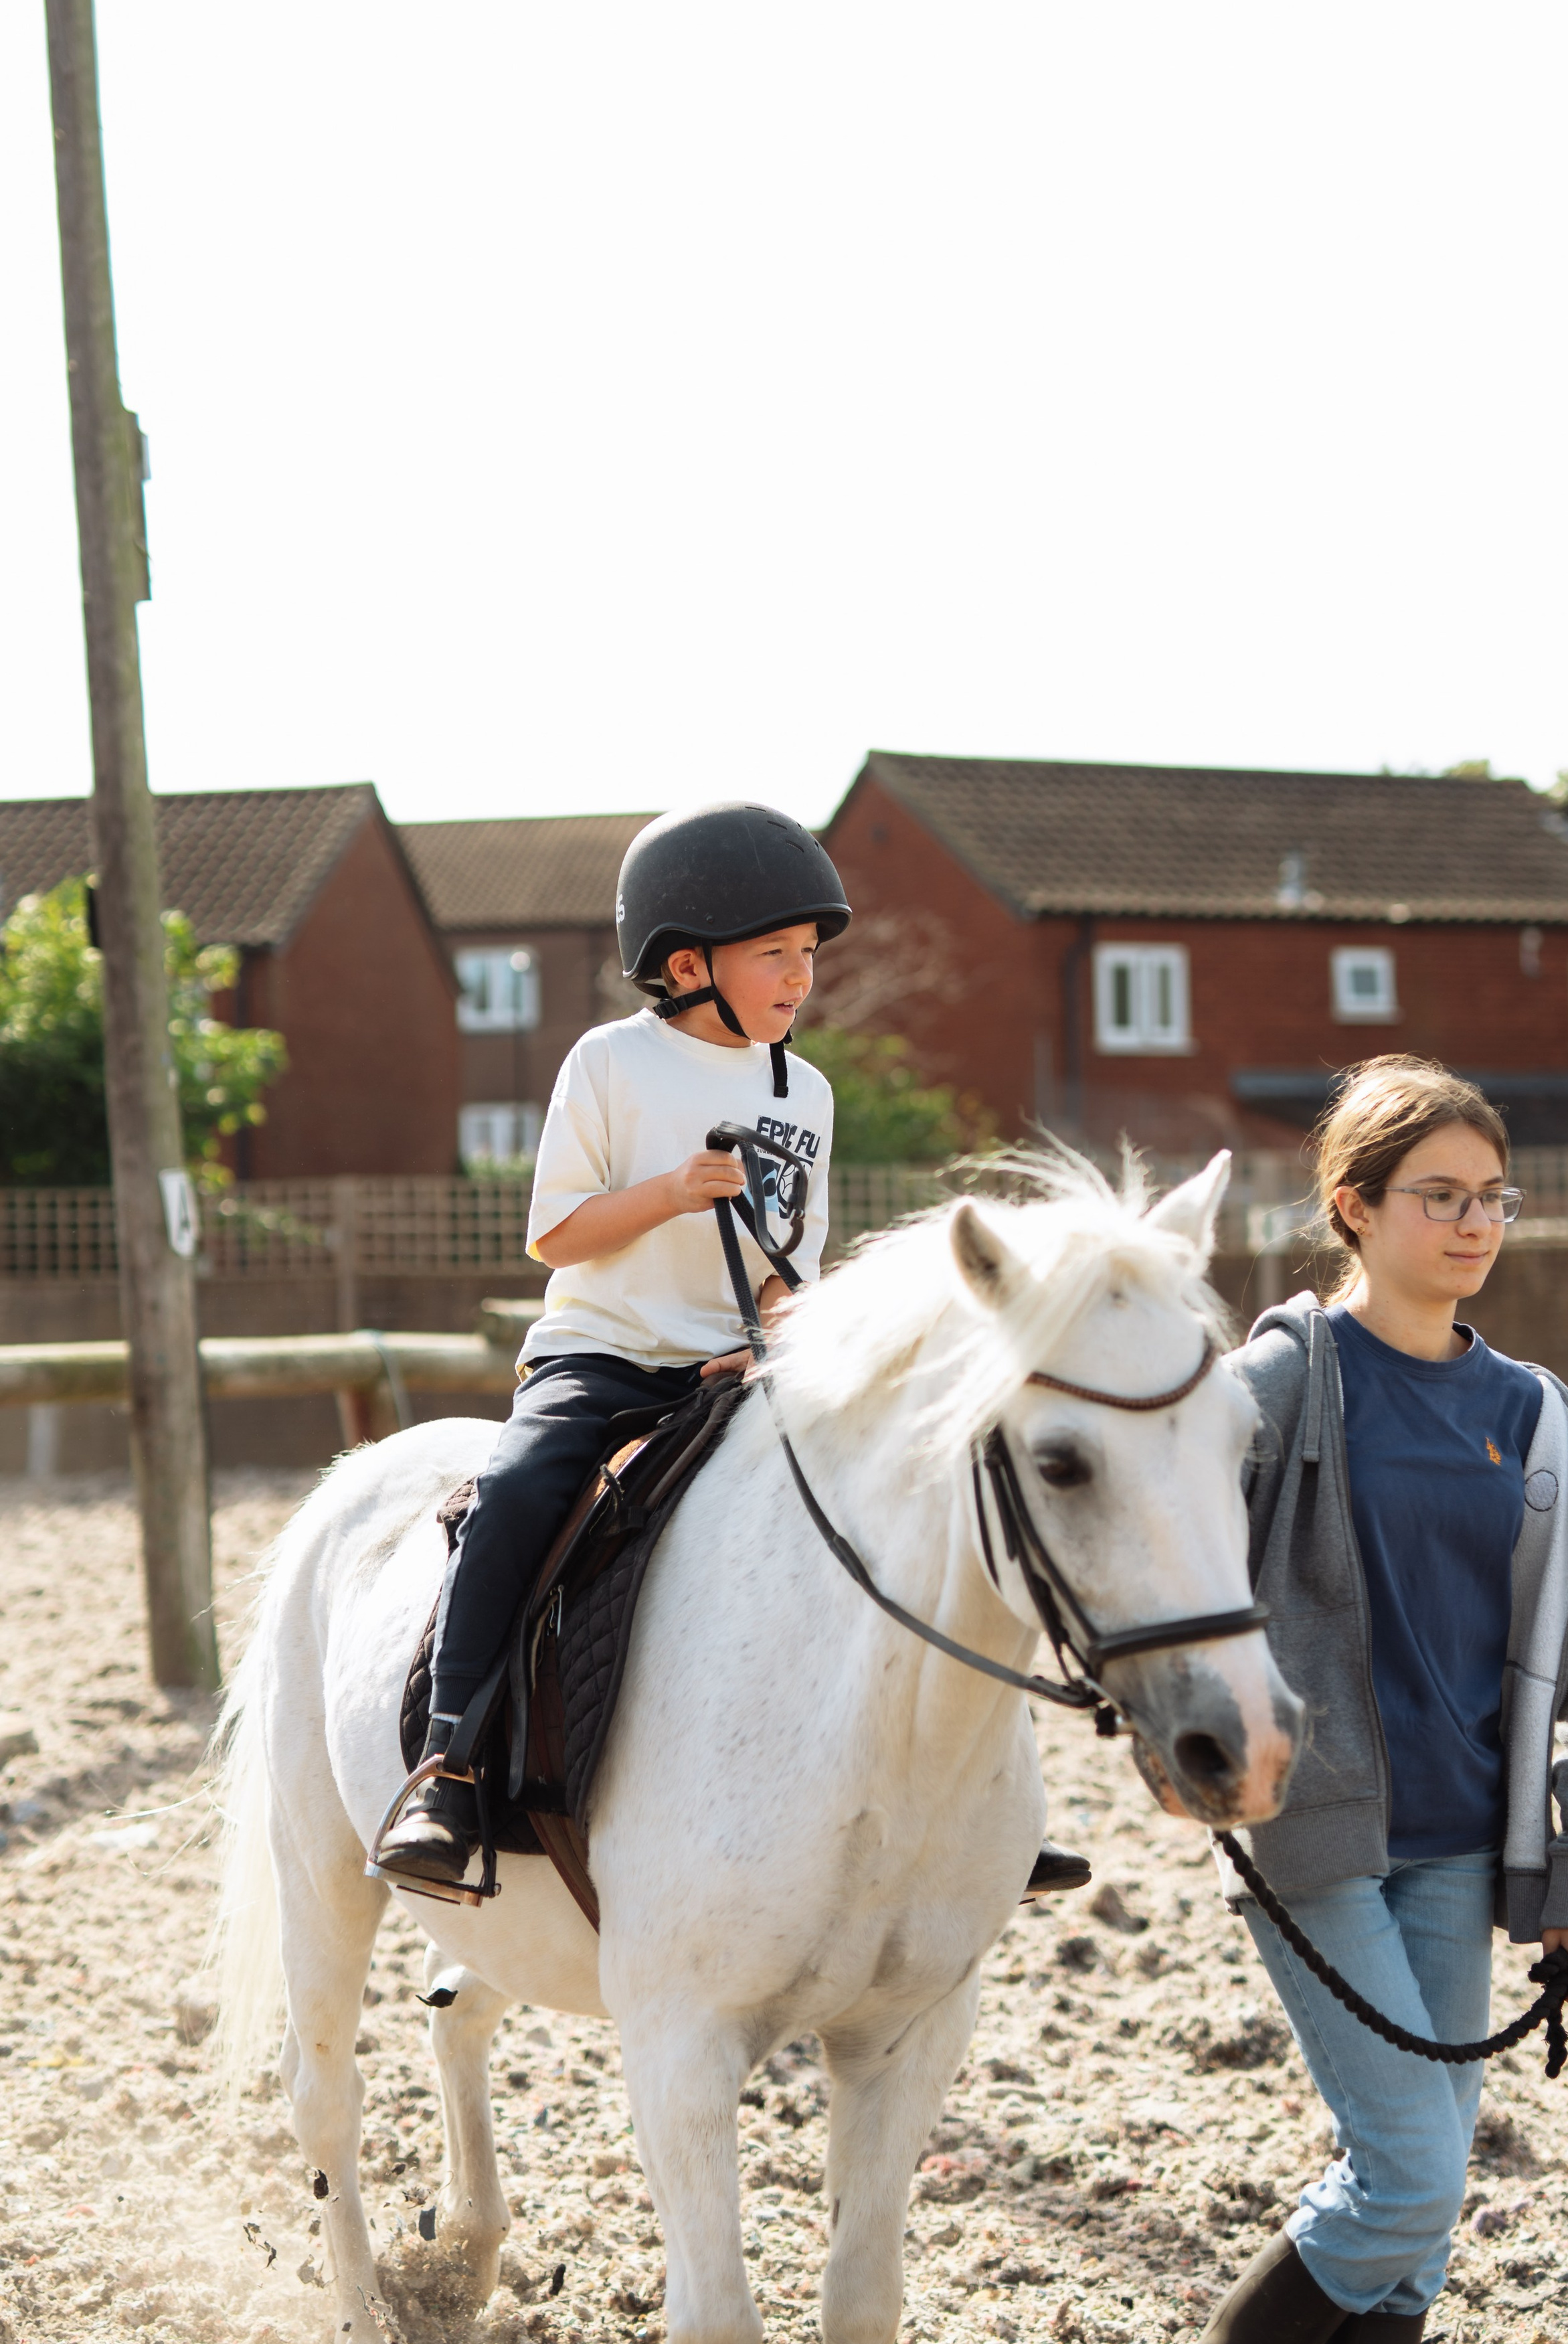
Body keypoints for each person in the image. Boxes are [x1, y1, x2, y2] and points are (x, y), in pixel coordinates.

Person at [374, 799, 1090, 1902]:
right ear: (687, 962)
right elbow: (553, 1234)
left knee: (910, 1486)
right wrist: (667, 1194)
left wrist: (782, 1334)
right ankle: (449, 1770)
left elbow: (783, 1269)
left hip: (735, 1365)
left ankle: (976, 1800)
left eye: (808, 956)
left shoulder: (806, 1091)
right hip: (603, 1356)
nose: (801, 979)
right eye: (776, 956)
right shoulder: (610, 1062)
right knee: (517, 1493)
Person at [1141, 1056, 1568, 2344]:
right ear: (1352, 1210)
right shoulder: (1275, 1384)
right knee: (1412, 2177)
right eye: (1438, 1196)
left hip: (1466, 1851)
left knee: (1410, 2194)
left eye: (1492, 1198)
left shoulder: (1539, 1420)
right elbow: (1160, 1563)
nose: (1473, 1223)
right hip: (1319, 1835)